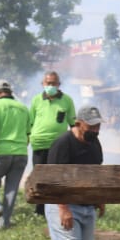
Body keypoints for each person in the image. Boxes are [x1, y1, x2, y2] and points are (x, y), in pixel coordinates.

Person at [45, 105, 107, 240]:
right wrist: (63, 209)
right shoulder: (62, 144)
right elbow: (53, 180)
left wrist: (99, 199)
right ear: (78, 123)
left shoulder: (95, 144)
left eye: (97, 126)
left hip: (86, 205)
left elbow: (96, 174)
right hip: (62, 204)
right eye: (91, 127)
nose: (95, 131)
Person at [0, 80, 32, 228]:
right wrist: (20, 148)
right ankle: (4, 223)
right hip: (21, 153)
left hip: (1, 152)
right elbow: (28, 134)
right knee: (11, 189)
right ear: (10, 93)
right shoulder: (23, 108)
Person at [28, 71, 76, 216]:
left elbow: (73, 123)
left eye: (54, 83)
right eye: (48, 83)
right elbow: (30, 122)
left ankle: (57, 208)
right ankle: (39, 210)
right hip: (39, 143)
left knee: (56, 178)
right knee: (40, 177)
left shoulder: (67, 100)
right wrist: (27, 138)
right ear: (43, 84)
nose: (51, 86)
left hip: (58, 146)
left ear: (59, 84)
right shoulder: (36, 100)